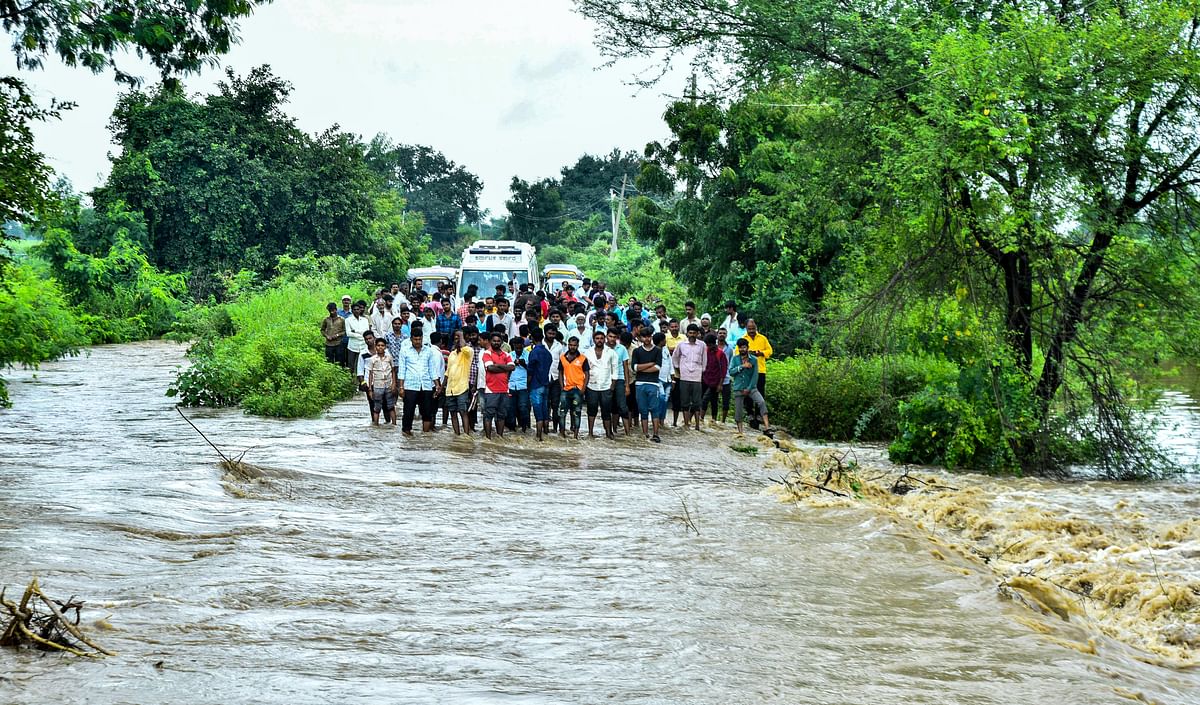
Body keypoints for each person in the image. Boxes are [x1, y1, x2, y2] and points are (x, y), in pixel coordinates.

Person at [397, 325, 442, 435]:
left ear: (422, 338)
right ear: (411, 339)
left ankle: (425, 435)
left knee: (427, 412)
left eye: (419, 339)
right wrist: (401, 387)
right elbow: (402, 370)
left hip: (426, 385)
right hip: (410, 385)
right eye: (415, 339)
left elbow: (432, 369)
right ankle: (407, 434)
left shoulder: (428, 351)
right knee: (408, 411)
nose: (418, 341)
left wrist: (437, 385)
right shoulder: (405, 351)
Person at [731, 337, 771, 434]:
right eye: (740, 348)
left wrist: (749, 388)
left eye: (744, 347)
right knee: (738, 411)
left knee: (761, 402)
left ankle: (767, 427)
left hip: (751, 387)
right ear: (738, 348)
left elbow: (755, 376)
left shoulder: (754, 360)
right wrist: (741, 367)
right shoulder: (735, 359)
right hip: (739, 388)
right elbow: (731, 372)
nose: (742, 350)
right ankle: (740, 432)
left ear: (747, 348)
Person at [672, 323, 707, 431]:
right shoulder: (681, 345)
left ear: (697, 334)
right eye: (690, 333)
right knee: (685, 402)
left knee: (697, 403)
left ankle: (697, 425)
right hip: (684, 377)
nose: (692, 335)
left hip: (697, 377)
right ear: (687, 333)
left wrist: (702, 371)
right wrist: (679, 369)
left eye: (694, 333)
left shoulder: (702, 345)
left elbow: (704, 360)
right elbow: (675, 358)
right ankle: (686, 425)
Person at [584, 330, 617, 439]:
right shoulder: (587, 352)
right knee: (591, 409)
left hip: (606, 385)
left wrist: (613, 385)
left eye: (601, 338)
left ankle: (608, 433)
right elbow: (584, 370)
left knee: (606, 410)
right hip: (591, 385)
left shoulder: (611, 352)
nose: (599, 340)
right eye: (597, 338)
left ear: (605, 339)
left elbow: (615, 369)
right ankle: (590, 433)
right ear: (594, 340)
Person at [631, 328, 663, 442]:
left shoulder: (658, 351)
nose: (647, 339)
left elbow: (658, 367)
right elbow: (634, 368)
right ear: (641, 338)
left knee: (655, 409)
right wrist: (650, 364)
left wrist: (641, 368)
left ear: (651, 337)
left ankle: (656, 434)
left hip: (653, 384)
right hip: (639, 384)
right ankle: (645, 434)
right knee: (643, 410)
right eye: (644, 337)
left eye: (649, 336)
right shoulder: (637, 351)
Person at [481, 332, 514, 439]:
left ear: (502, 342)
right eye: (494, 341)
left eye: (498, 341)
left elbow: (512, 367)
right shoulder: (487, 353)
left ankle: (500, 437)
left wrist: (498, 365)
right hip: (491, 389)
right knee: (488, 415)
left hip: (504, 389)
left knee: (502, 415)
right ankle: (488, 438)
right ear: (490, 342)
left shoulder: (507, 354)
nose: (496, 343)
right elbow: (490, 368)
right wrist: (505, 367)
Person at [444, 329, 474, 436]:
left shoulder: (468, 351)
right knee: (452, 413)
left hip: (462, 388)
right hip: (450, 389)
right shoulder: (452, 354)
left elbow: (463, 346)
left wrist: (461, 335)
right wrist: (442, 387)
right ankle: (457, 435)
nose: (457, 340)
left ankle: (466, 435)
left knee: (463, 412)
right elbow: (447, 372)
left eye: (459, 338)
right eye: (455, 338)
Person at [558, 335, 589, 439]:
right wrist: (562, 386)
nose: (572, 347)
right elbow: (560, 372)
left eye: (574, 345)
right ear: (568, 345)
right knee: (562, 412)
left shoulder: (583, 358)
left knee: (576, 413)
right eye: (570, 345)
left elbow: (587, 374)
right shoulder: (562, 357)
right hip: (566, 389)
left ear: (577, 346)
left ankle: (575, 436)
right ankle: (562, 434)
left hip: (577, 389)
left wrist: (583, 389)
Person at [527, 327, 552, 442]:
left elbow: (530, 371)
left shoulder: (534, 352)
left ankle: (539, 436)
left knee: (538, 412)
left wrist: (527, 384)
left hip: (535, 385)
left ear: (532, 338)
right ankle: (546, 433)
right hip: (546, 384)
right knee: (545, 410)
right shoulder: (547, 353)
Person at [365, 336, 397, 425]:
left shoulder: (389, 358)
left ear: (385, 347)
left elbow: (393, 371)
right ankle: (376, 425)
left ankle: (394, 425)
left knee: (391, 406)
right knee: (377, 407)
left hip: (388, 384)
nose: (380, 347)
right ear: (375, 347)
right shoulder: (372, 359)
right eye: (378, 345)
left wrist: (394, 384)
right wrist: (370, 389)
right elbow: (370, 374)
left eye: (382, 345)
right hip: (377, 385)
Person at [701, 332, 729, 424]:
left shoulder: (720, 354)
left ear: (714, 343)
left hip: (715, 381)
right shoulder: (705, 351)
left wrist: (720, 384)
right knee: (707, 399)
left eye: (710, 344)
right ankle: (705, 420)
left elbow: (723, 370)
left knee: (709, 400)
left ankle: (707, 419)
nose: (709, 346)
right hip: (705, 379)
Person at [608, 329, 632, 436]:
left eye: (614, 337)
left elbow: (625, 367)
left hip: (620, 379)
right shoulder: (603, 349)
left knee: (622, 406)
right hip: (606, 379)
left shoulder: (622, 349)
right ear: (607, 336)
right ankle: (613, 430)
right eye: (610, 336)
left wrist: (627, 385)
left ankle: (628, 433)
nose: (612, 339)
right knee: (611, 406)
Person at [507, 336, 531, 433]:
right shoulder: (509, 355)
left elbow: (531, 369)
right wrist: (513, 365)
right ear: (513, 346)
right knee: (511, 409)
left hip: (523, 385)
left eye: (520, 347)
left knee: (523, 408)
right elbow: (507, 369)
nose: (518, 350)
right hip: (511, 385)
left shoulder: (528, 354)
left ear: (523, 346)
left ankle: (525, 429)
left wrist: (523, 363)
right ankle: (512, 430)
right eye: (516, 348)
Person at [743, 319, 773, 396]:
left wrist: (761, 353)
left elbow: (770, 350)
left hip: (760, 370)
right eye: (749, 329)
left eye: (753, 328)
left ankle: (759, 408)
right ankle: (748, 408)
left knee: (760, 392)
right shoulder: (743, 339)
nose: (751, 331)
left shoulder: (763, 338)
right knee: (748, 393)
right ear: (746, 328)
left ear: (756, 328)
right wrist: (747, 353)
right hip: (747, 370)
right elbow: (737, 352)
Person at [344, 300, 372, 374]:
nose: (356, 311)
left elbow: (366, 332)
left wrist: (355, 331)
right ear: (352, 310)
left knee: (364, 364)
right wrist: (360, 334)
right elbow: (348, 333)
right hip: (352, 346)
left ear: (360, 310)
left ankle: (363, 381)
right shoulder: (348, 320)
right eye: (354, 309)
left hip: (363, 346)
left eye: (358, 309)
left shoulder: (365, 320)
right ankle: (351, 382)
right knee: (351, 365)